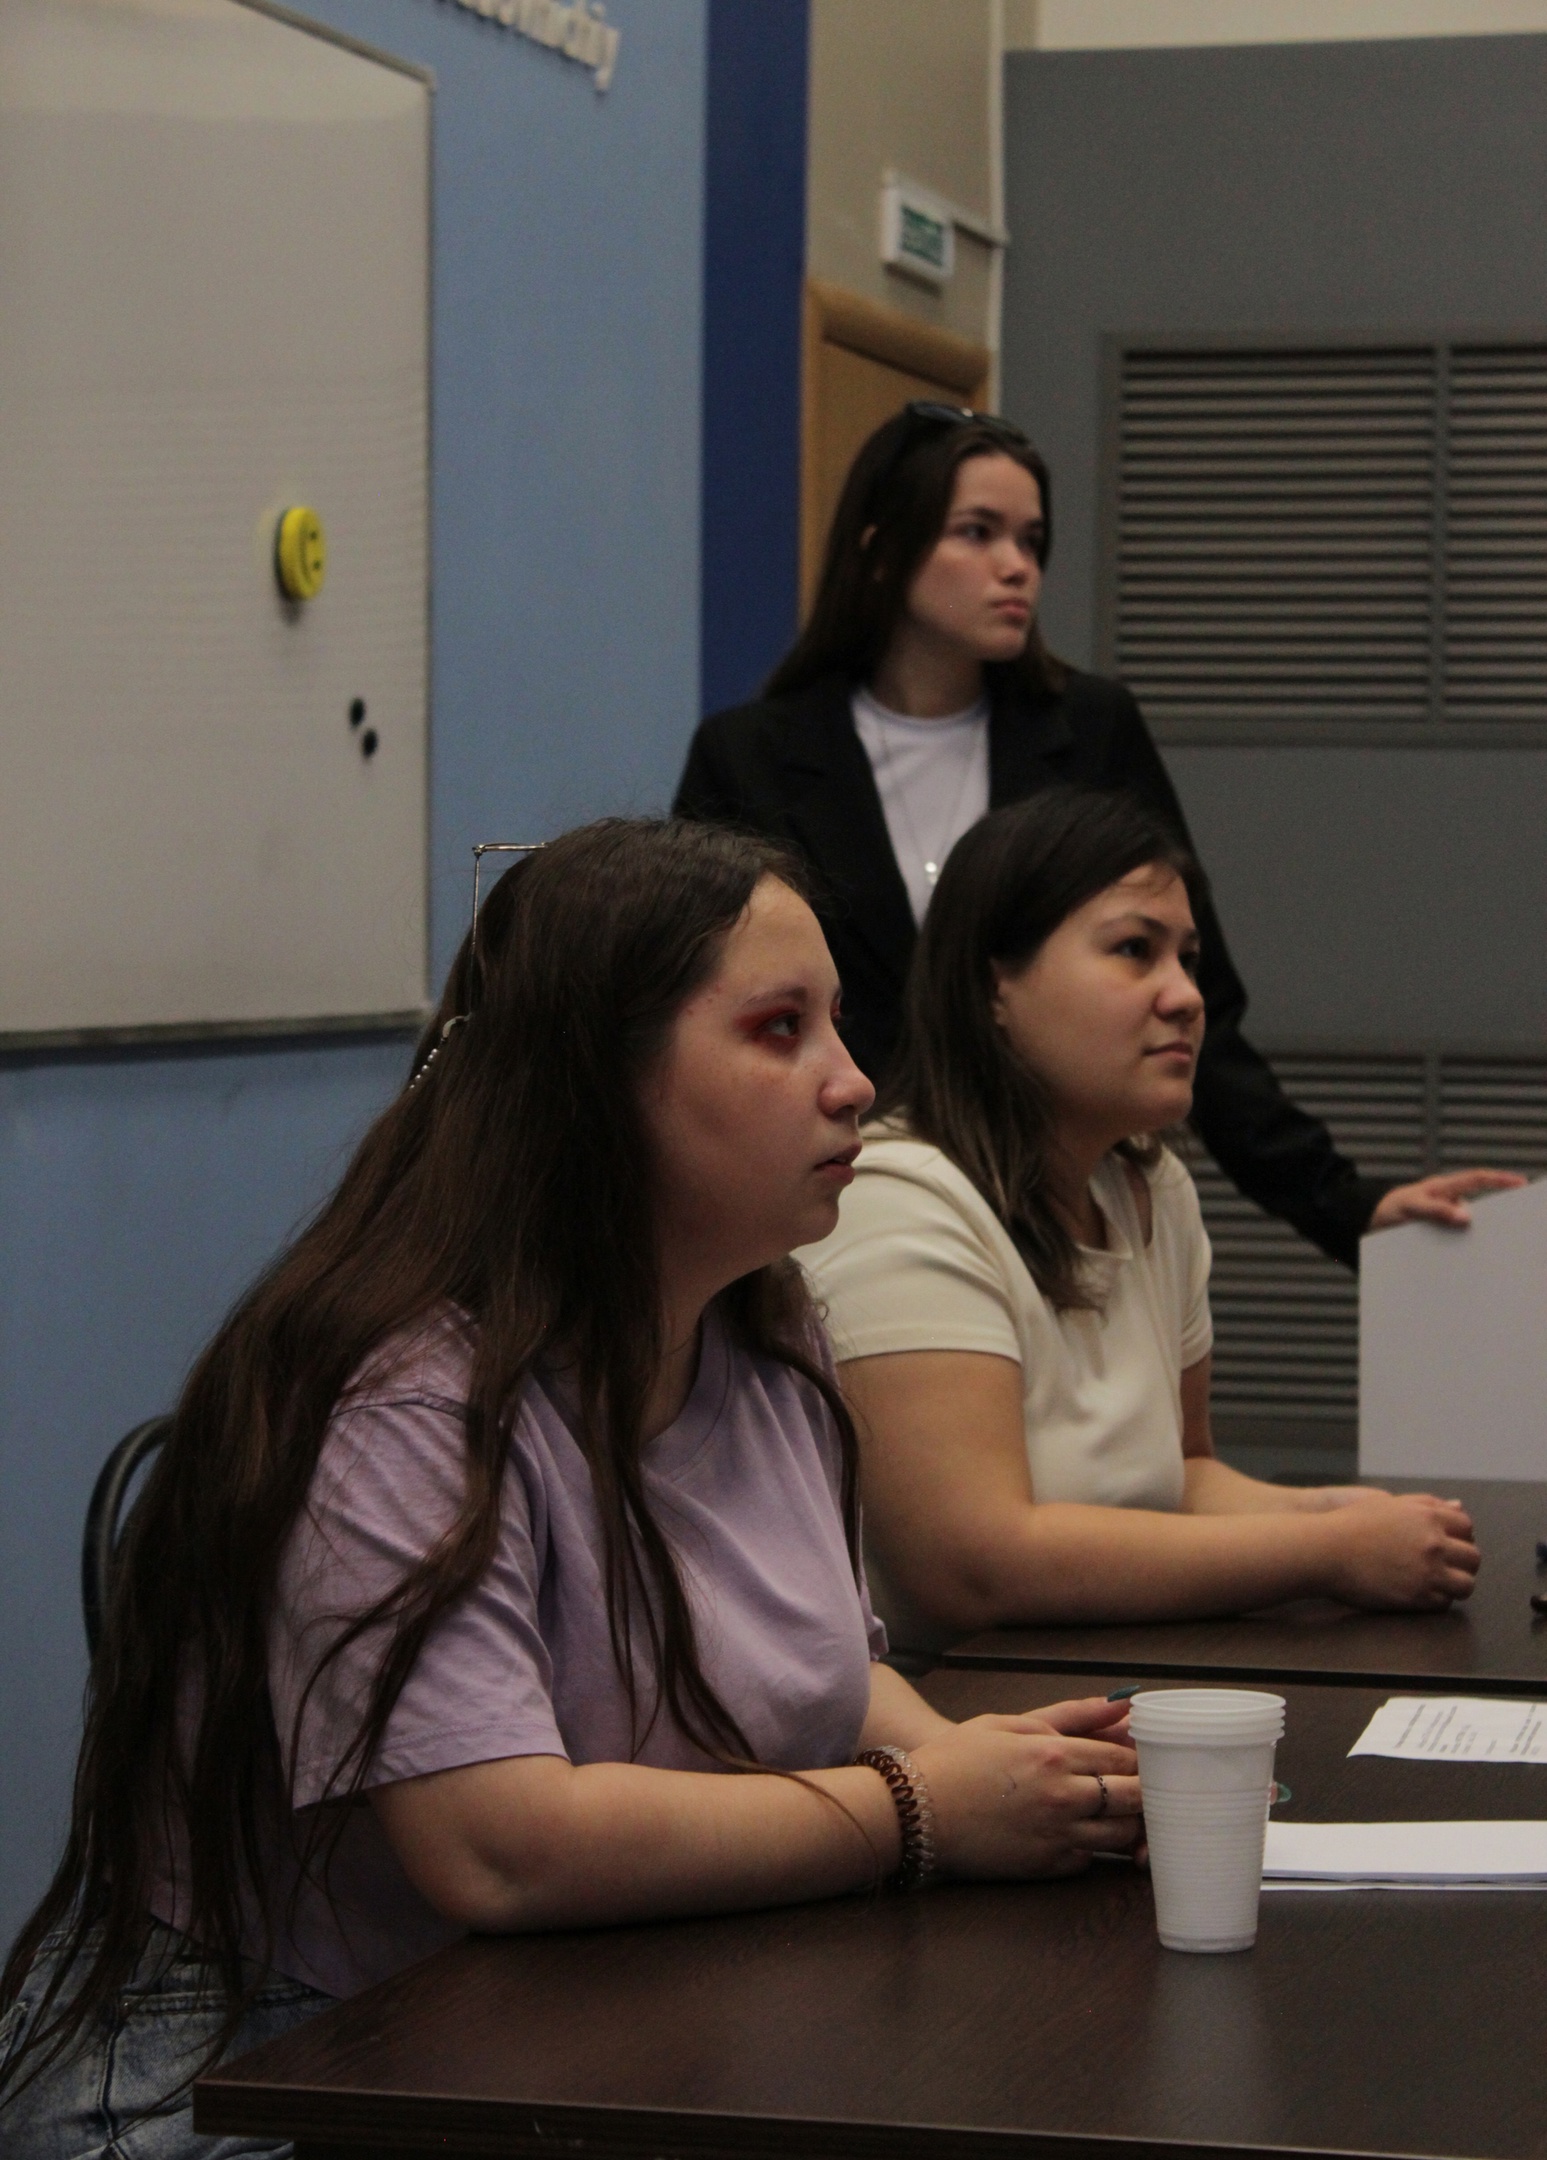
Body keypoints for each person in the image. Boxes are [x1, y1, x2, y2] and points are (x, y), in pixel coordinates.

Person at [0, 819, 1142, 2157]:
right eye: (779, 1030)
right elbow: (500, 1846)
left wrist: (978, 1766)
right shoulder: (402, 1397)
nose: (852, 1082)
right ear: (595, 1083)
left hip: (583, 2011)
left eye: (836, 1024)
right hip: (277, 2062)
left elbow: (833, 1675)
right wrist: (922, 1810)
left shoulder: (765, 1328)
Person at [674, 401, 1518, 1268]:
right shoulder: (751, 754)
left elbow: (1189, 1002)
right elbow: (701, 1019)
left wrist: (1343, 1202)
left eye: (1031, 540)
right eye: (978, 532)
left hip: (1051, 1213)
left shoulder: (1089, 731)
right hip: (837, 1219)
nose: (1017, 566)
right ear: (881, 549)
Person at [799, 787, 1483, 1656]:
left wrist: (1341, 1512)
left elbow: (1181, 1478)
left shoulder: (1149, 1185)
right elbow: (972, 1566)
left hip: (1109, 1675)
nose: (1186, 996)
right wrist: (1327, 1550)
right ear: (993, 984)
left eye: (1187, 959)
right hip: (958, 1704)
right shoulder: (893, 1199)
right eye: (1134, 950)